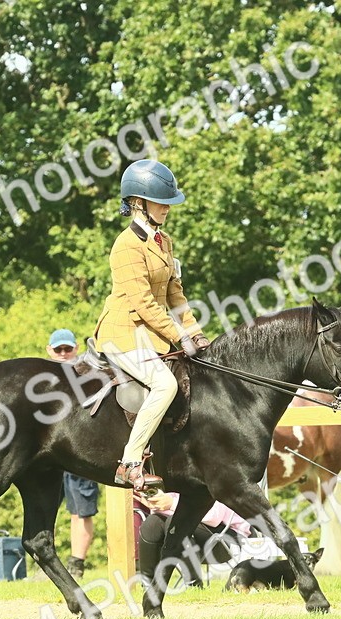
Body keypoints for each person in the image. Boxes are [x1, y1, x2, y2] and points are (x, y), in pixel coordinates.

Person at [94, 159, 209, 491]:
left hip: (151, 332)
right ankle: (130, 461)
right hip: (123, 332)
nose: (167, 209)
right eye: (162, 202)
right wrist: (178, 336)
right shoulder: (125, 246)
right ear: (138, 203)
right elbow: (144, 302)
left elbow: (176, 293)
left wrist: (195, 331)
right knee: (165, 385)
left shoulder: (164, 241)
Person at [45, 329, 100, 578]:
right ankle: (48, 562)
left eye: (67, 349)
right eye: (59, 350)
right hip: (48, 454)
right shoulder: (41, 379)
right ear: (50, 351)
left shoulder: (87, 374)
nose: (64, 354)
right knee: (46, 509)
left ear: (76, 348)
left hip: (80, 451)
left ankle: (76, 565)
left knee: (81, 512)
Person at [135, 490, 250, 586]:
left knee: (177, 522)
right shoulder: (176, 475)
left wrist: (172, 503)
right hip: (192, 538)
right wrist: (156, 503)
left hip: (226, 538)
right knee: (153, 521)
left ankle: (194, 584)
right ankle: (148, 586)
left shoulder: (215, 469)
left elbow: (214, 517)